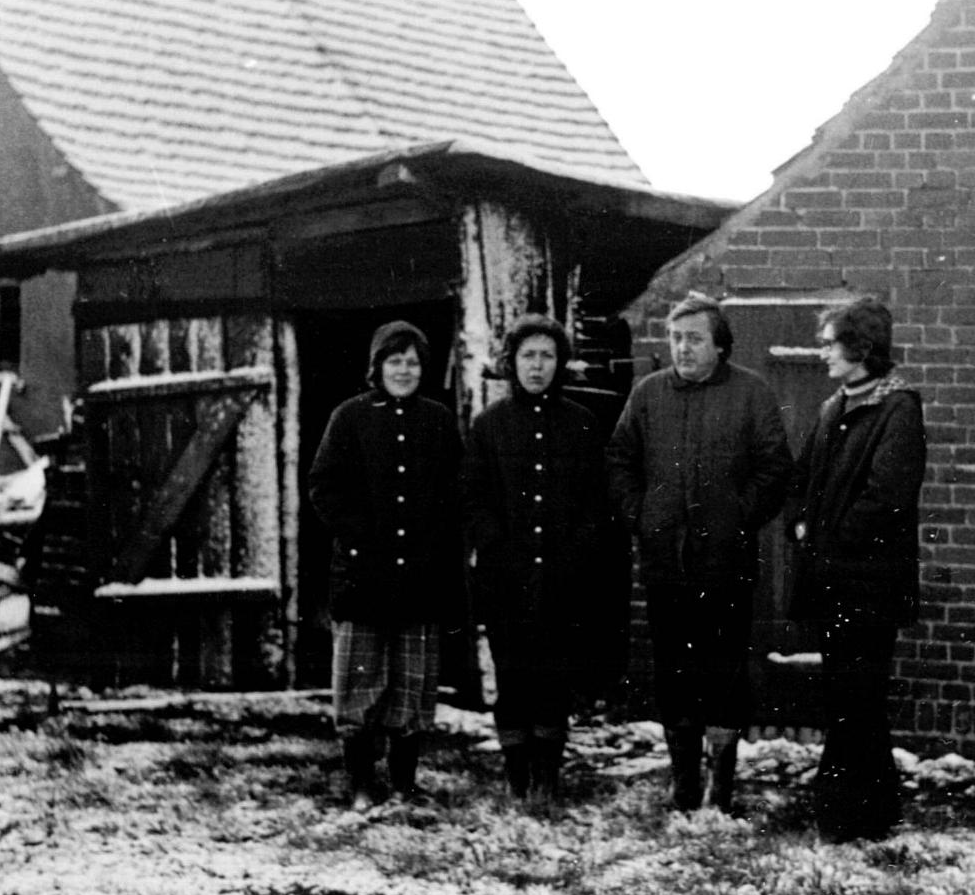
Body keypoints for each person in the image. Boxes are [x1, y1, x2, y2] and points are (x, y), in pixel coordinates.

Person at [606, 291, 793, 811]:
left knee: (723, 671)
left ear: (719, 345)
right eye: (675, 339)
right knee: (673, 672)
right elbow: (620, 461)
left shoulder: (751, 394)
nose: (682, 349)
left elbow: (776, 468)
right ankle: (684, 780)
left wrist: (737, 516)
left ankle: (721, 786)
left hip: (726, 564)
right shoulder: (648, 395)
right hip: (665, 562)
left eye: (694, 339)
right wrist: (641, 515)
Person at [307, 320, 463, 809]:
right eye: (394, 361)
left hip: (419, 577)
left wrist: (434, 546)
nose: (403, 370)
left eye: (412, 362)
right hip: (362, 575)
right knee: (359, 683)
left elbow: (455, 492)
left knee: (411, 686)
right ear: (377, 367)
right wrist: (358, 537)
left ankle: (404, 782)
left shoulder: (438, 420)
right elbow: (323, 485)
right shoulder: (349, 417)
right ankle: (359, 782)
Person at [787, 297, 926, 841]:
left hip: (869, 586)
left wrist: (826, 539)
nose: (823, 352)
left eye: (831, 342)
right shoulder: (833, 407)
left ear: (862, 347)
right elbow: (804, 480)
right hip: (833, 580)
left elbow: (886, 498)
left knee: (858, 697)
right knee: (847, 696)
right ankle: (865, 812)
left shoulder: (898, 410)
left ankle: (848, 815)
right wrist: (800, 522)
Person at [461, 314, 614, 803]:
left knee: (554, 675)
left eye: (547, 356)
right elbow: (474, 498)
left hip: (564, 578)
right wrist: (498, 548)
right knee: (513, 675)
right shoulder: (489, 426)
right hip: (506, 578)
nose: (537, 365)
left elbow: (597, 502)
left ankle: (547, 776)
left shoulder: (582, 424)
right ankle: (516, 774)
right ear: (512, 363)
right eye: (528, 355)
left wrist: (576, 552)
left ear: (561, 364)